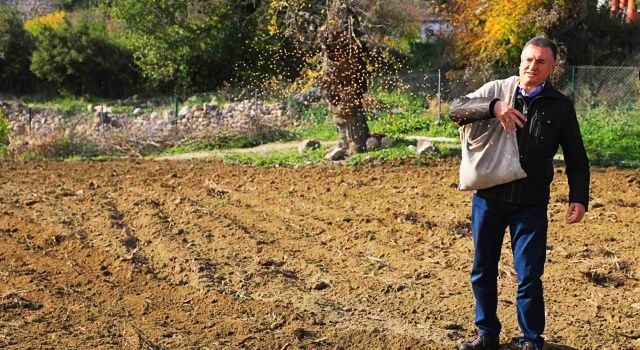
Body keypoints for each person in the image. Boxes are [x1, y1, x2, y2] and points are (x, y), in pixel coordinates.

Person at [449, 36, 590, 350]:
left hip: (531, 203)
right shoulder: (498, 90)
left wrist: (578, 197)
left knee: (529, 275)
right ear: (521, 61)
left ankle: (530, 339)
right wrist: (493, 107)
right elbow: (456, 109)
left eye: (541, 62)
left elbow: (577, 158)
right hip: (489, 197)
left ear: (552, 67)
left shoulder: (561, 106)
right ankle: (486, 334)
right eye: (528, 60)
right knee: (482, 268)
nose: (532, 66)